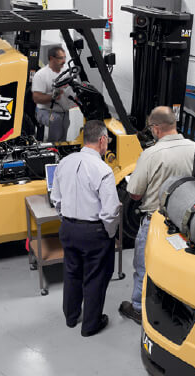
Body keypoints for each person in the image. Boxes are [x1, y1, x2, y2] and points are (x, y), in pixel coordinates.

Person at [118, 106, 195, 324]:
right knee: (179, 267)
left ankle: (137, 307)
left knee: (144, 266)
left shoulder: (151, 154)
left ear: (156, 128)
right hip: (186, 222)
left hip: (156, 222)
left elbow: (134, 193)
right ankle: (174, 306)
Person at [50, 120, 121, 337]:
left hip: (69, 229)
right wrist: (108, 234)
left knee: (71, 272)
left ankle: (71, 317)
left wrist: (68, 221)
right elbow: (110, 211)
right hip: (94, 233)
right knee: (95, 277)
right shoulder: (103, 170)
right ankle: (90, 325)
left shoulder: (64, 162)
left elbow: (56, 199)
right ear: (102, 140)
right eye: (107, 140)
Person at [32, 46, 74, 142]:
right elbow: (37, 98)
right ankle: (51, 147)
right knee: (56, 120)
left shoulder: (66, 73)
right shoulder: (41, 75)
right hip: (44, 111)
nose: (63, 61)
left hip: (63, 111)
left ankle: (60, 148)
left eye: (64, 58)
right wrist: (52, 96)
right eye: (60, 58)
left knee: (65, 125)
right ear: (51, 58)